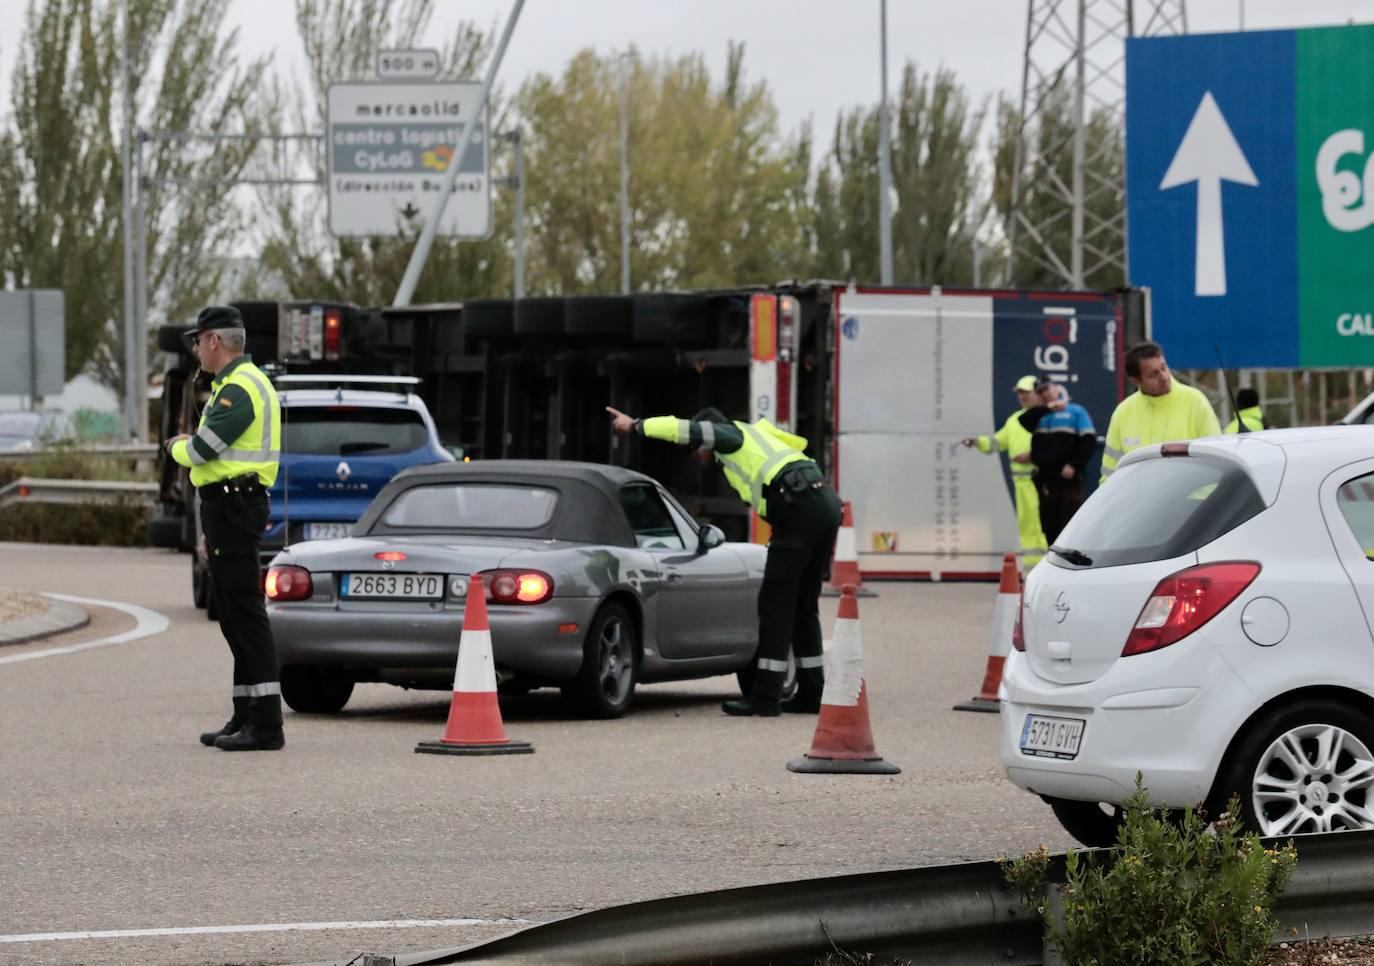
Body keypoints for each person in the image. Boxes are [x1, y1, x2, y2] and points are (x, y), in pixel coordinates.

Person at [606, 404, 842, 717]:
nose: (695, 455)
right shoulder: (757, 437)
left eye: (696, 449)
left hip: (799, 506)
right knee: (802, 605)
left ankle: (766, 697)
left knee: (774, 603)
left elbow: (682, 428)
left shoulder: (731, 437)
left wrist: (635, 425)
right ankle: (812, 692)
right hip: (823, 503)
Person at [165, 306, 285, 751]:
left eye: (197, 340)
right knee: (233, 616)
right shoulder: (230, 386)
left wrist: (175, 447)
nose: (196, 349)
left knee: (246, 615)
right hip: (225, 507)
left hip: (236, 506)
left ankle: (267, 724)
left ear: (214, 340)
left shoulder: (242, 388)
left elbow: (203, 450)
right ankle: (245, 713)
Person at [1101, 341, 1221, 482]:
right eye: (1153, 375)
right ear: (1135, 381)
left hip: (1196, 502)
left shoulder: (1196, 402)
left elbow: (1217, 458)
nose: (1164, 377)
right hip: (1143, 502)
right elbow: (1109, 473)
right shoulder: (1123, 413)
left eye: (1164, 368)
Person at [961, 375, 1049, 567]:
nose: (1022, 396)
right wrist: (978, 442)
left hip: (1043, 483)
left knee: (1044, 527)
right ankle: (1030, 573)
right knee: (1027, 529)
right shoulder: (1014, 420)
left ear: (1039, 392)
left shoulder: (1048, 416)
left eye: (1026, 392)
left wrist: (1033, 456)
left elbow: (1056, 446)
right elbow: (997, 442)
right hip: (1022, 485)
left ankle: (1045, 570)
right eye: (1020, 393)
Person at [1018, 380, 1096, 545]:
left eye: (1046, 389)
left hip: (1067, 478)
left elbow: (1089, 441)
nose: (1044, 394)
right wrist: (1047, 408)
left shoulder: (1075, 411)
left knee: (1069, 525)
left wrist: (1074, 465)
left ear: (1056, 388)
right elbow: (1023, 420)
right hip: (1046, 481)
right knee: (1049, 527)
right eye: (1040, 392)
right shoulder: (1040, 415)